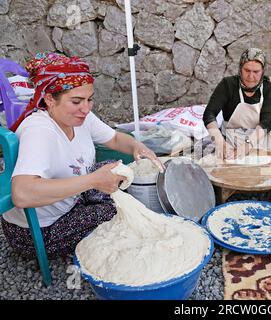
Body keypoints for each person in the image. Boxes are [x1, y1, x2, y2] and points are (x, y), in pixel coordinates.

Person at [1, 52, 164, 259]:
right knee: (116, 211)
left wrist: (136, 146)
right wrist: (93, 180)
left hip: (68, 198)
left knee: (115, 169)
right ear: (49, 99)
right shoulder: (39, 131)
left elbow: (114, 139)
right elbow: (22, 194)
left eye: (89, 100)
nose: (85, 108)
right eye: (76, 101)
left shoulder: (80, 116)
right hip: (38, 231)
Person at [203, 48, 271, 160]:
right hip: (232, 135)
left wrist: (248, 145)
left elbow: (267, 122)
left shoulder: (269, 89)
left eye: (256, 72)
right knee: (202, 148)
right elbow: (209, 114)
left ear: (263, 71)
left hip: (262, 135)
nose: (251, 76)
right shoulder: (227, 85)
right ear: (240, 69)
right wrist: (220, 142)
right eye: (247, 70)